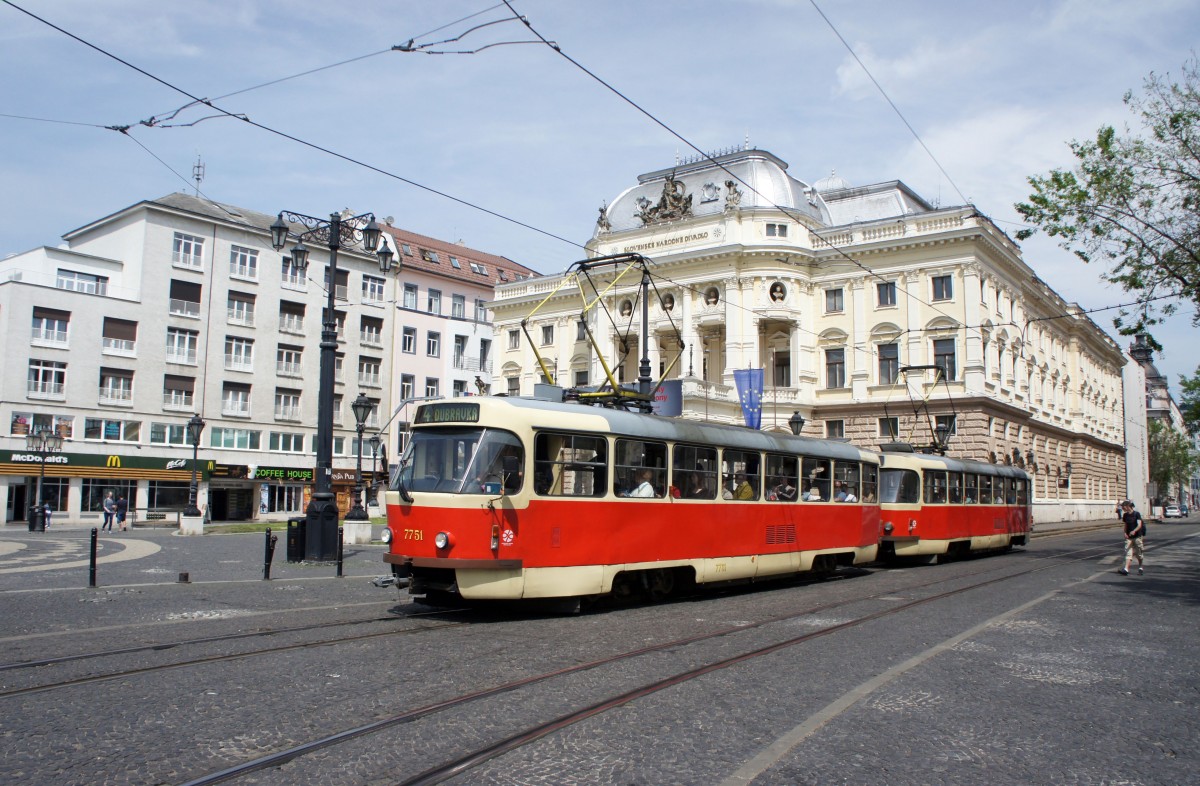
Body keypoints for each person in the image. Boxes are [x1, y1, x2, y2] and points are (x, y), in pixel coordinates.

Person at [1119, 500, 1145, 575]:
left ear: (1128, 506)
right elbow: (1126, 525)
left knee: (1139, 553)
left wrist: (1134, 531)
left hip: (1137, 536)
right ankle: (1126, 569)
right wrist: (1125, 533)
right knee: (1128, 552)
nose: (1123, 509)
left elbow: (1139, 525)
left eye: (1123, 507)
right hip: (1129, 537)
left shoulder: (1137, 514)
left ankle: (1140, 567)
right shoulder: (1125, 515)